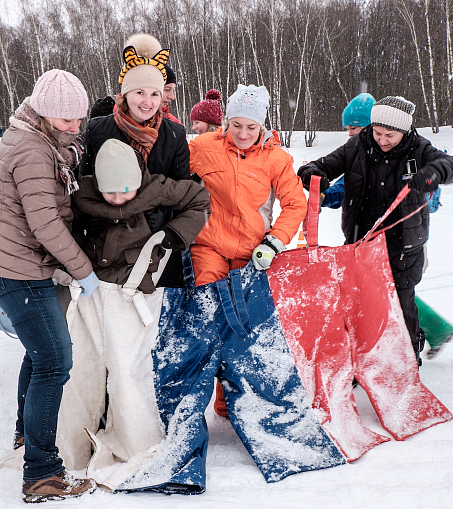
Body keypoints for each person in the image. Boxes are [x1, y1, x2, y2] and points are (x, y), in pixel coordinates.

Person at [57, 138, 210, 469]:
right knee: (83, 368)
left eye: (124, 191)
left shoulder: (156, 188)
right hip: (92, 287)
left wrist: (172, 234)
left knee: (128, 370)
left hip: (136, 291)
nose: (116, 199)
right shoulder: (83, 195)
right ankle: (74, 445)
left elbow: (199, 199)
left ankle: (135, 444)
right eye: (109, 193)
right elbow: (63, 222)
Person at [298, 96, 453, 364]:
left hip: (403, 245)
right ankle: (359, 359)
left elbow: (449, 166)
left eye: (390, 135)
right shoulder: (357, 146)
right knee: (358, 301)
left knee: (401, 302)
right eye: (377, 132)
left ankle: (408, 360)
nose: (382, 140)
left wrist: (432, 174)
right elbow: (318, 166)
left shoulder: (419, 149)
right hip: (361, 242)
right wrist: (311, 173)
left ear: (404, 132)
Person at [0, 69, 98, 503]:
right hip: (23, 272)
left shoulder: (32, 140)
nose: (75, 127)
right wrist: (84, 272)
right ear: (43, 115)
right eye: (66, 121)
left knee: (39, 356)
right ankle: (42, 474)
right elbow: (45, 224)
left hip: (20, 265)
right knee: (56, 362)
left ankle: (26, 435)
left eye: (79, 119)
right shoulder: (32, 152)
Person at [189, 84, 307, 416]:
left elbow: (295, 205)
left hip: (252, 254)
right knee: (209, 324)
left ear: (262, 126)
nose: (242, 133)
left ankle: (234, 400)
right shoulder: (201, 147)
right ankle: (194, 403)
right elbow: (172, 180)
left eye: (251, 127)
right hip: (208, 246)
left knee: (244, 328)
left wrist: (274, 241)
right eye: (236, 124)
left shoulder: (277, 158)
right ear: (225, 121)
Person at [79, 33, 191, 288]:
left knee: (157, 321)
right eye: (140, 92)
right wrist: (99, 216)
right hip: (108, 243)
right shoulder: (99, 129)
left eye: (154, 93)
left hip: (156, 245)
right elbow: (84, 182)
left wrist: (157, 219)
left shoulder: (174, 135)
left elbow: (182, 191)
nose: (148, 102)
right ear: (126, 93)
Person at [321, 93, 375, 209]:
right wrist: (324, 196)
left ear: (369, 126)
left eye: (353, 128)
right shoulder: (358, 151)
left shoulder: (385, 153)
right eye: (348, 129)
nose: (349, 134)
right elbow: (347, 184)